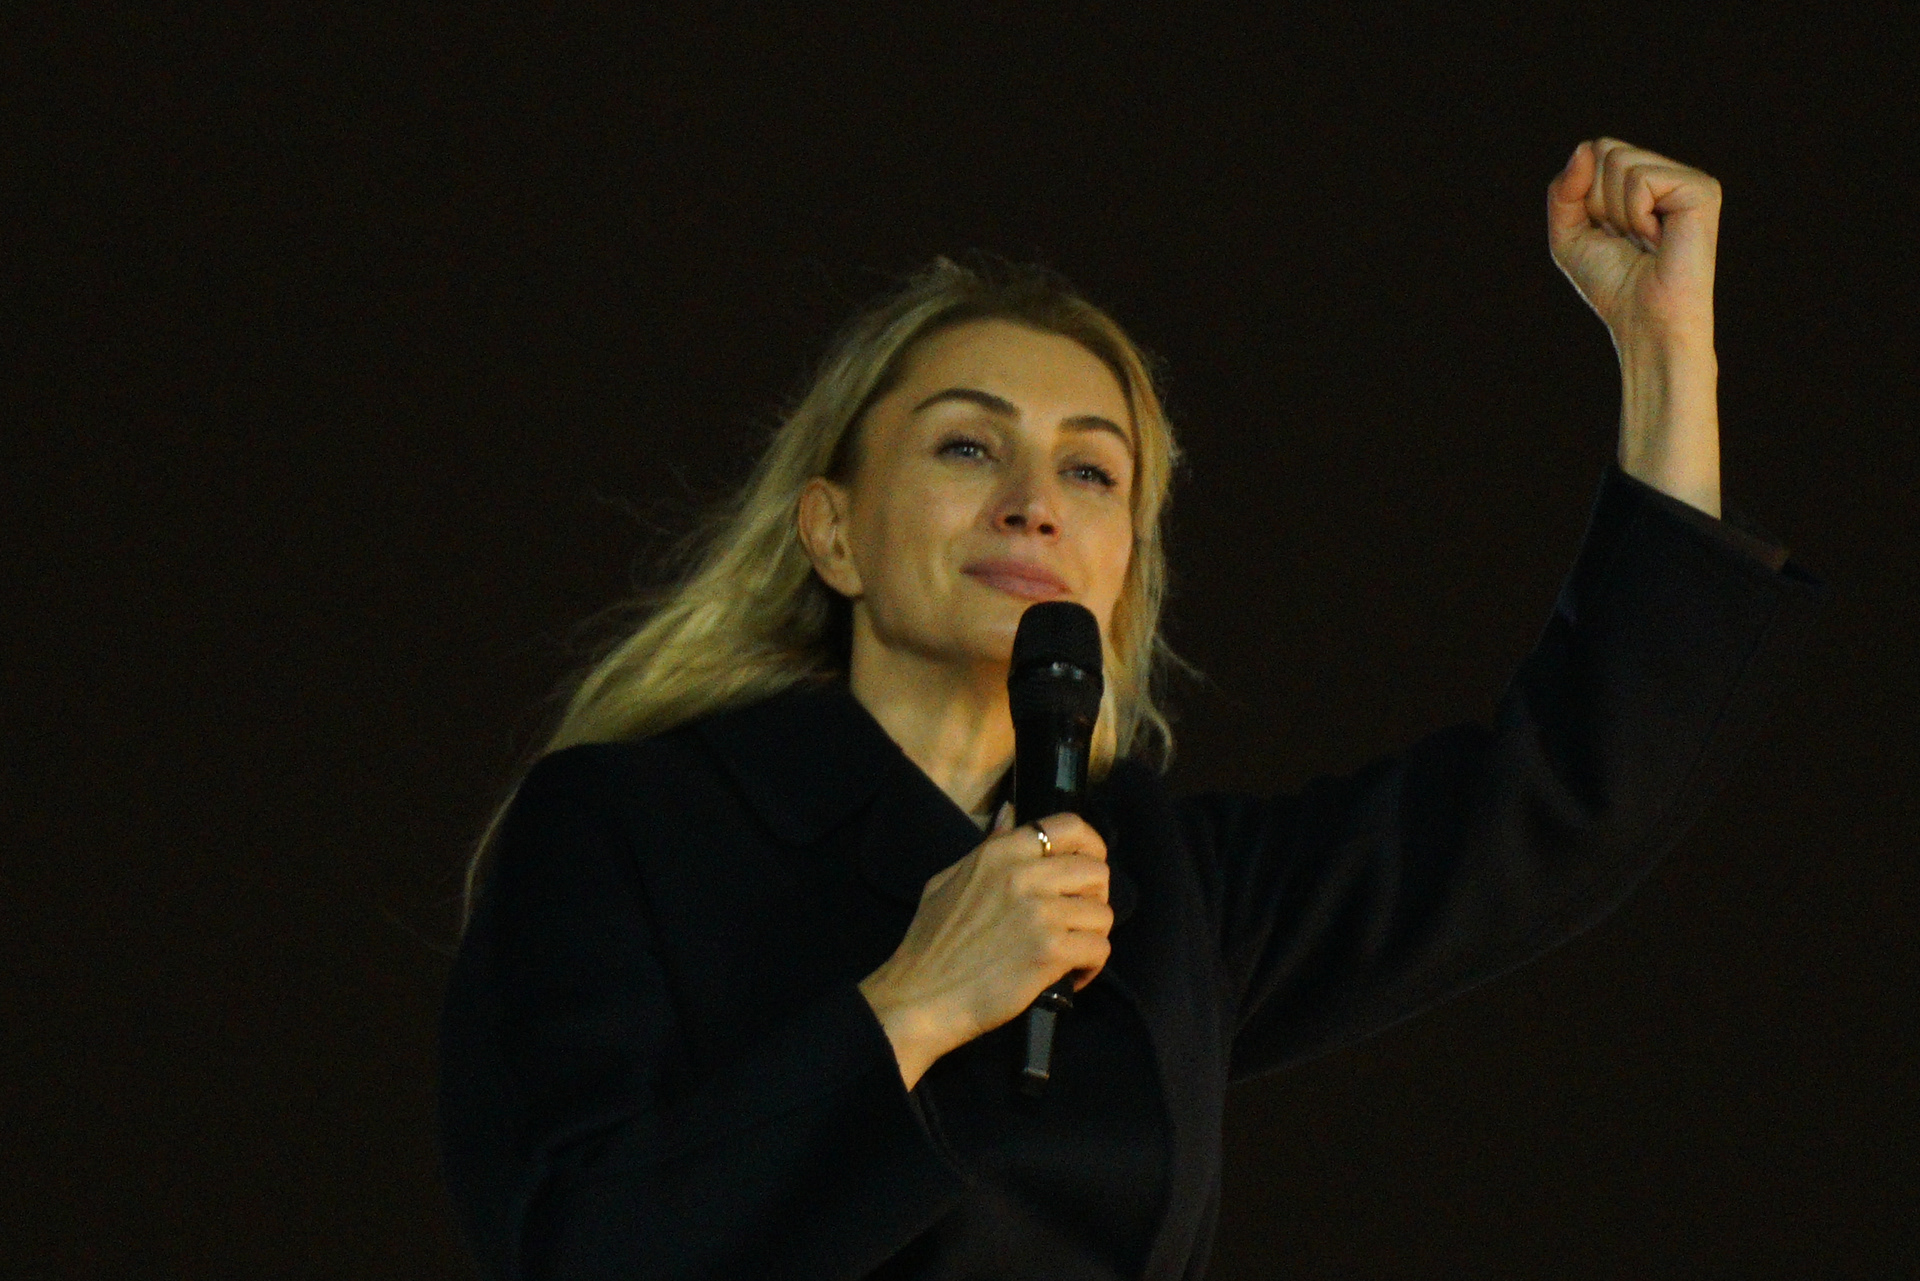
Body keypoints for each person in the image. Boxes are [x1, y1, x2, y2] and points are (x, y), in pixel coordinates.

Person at [436, 138, 1830, 1279]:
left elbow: (1556, 803)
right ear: (835, 531)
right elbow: (575, 1242)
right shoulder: (629, 824)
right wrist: (913, 1003)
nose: (1034, 498)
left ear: (1121, 576)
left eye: (1094, 473)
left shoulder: (1164, 890)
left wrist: (1665, 357)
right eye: (967, 444)